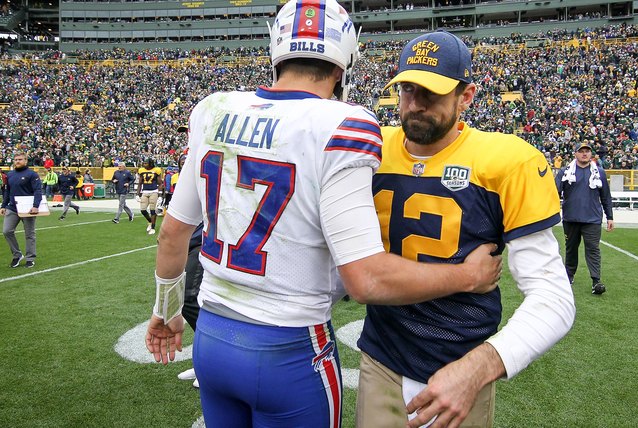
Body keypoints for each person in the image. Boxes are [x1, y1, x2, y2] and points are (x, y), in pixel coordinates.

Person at [144, 5, 502, 428]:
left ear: (275, 47)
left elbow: (172, 234)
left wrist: (167, 311)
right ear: (342, 60)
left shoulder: (215, 109)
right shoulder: (343, 123)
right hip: (289, 349)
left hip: (213, 340)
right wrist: (468, 277)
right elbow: (366, 279)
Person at [356, 31, 575, 428]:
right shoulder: (371, 150)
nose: (416, 104)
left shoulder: (507, 160)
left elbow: (554, 298)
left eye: (432, 93)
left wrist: (477, 368)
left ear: (467, 95)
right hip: (381, 358)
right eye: (408, 89)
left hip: (460, 362)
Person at [556, 141, 614, 295]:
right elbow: (555, 194)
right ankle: (569, 276)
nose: (584, 153)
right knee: (571, 249)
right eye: (581, 151)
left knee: (593, 249)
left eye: (587, 151)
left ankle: (596, 281)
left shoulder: (599, 172)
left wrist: (610, 216)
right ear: (575, 153)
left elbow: (606, 196)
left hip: (592, 219)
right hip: (571, 218)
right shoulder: (565, 172)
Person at [1, 152, 42, 268]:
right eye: (15, 160)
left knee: (29, 234)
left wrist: (35, 206)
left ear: (25, 161)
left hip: (28, 209)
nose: (17, 162)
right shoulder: (10, 175)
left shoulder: (32, 174)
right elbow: (7, 192)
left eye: (20, 159)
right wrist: (3, 206)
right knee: (7, 231)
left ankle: (30, 258)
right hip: (12, 208)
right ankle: (17, 255)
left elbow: (37, 191)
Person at [136, 158, 162, 235]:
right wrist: (137, 194)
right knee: (143, 210)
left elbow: (160, 183)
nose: (144, 165)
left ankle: (153, 228)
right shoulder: (141, 170)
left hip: (154, 191)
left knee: (152, 210)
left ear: (150, 163)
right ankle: (150, 221)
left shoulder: (156, 170)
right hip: (145, 191)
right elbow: (140, 183)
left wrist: (160, 195)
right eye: (143, 163)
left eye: (146, 163)